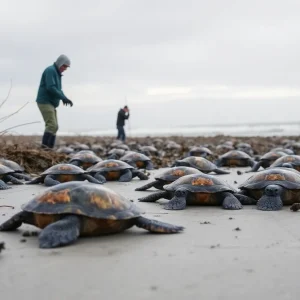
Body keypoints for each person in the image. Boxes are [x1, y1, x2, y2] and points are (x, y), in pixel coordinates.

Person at [36, 54, 73, 149]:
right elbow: (50, 87)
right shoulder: (50, 70)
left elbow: (58, 89)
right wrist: (62, 97)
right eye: (64, 66)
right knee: (52, 125)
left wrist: (65, 98)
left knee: (55, 126)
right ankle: (45, 149)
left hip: (51, 103)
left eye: (66, 67)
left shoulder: (57, 73)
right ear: (60, 63)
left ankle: (50, 149)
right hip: (44, 101)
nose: (65, 68)